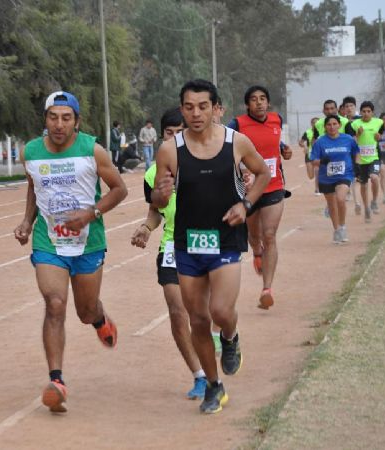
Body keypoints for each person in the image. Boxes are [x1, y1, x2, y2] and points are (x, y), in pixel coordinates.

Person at [153, 79, 271, 414]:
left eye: (202, 106)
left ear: (215, 107)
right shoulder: (169, 150)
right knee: (199, 321)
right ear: (182, 108)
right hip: (188, 243)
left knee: (220, 311)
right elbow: (158, 197)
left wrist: (245, 205)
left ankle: (231, 337)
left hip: (225, 238)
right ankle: (214, 386)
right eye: (188, 107)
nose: (195, 113)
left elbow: (262, 174)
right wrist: (161, 193)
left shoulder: (236, 142)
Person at [14, 91, 128, 414]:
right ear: (45, 120)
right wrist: (26, 221)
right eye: (53, 117)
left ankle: (100, 319)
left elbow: (120, 189)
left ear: (77, 121)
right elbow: (34, 187)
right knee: (54, 304)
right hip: (49, 241)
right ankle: (57, 380)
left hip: (88, 242)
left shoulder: (92, 150)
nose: (59, 124)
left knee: (85, 310)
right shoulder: (31, 153)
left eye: (66, 118)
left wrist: (91, 213)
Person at [131, 107, 208, 400]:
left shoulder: (206, 161)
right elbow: (155, 212)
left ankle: (220, 338)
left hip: (204, 242)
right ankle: (199, 375)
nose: (175, 138)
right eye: (169, 133)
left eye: (180, 132)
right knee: (178, 313)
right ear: (162, 135)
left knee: (203, 313)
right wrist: (146, 227)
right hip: (172, 246)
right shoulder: (152, 173)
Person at [226, 86, 292, 310]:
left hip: (274, 185)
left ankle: (267, 289)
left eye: (263, 99)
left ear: (269, 102)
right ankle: (256, 251)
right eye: (254, 100)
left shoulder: (277, 120)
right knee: (254, 236)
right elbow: (227, 148)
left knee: (270, 234)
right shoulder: (237, 125)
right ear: (247, 105)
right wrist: (243, 171)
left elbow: (274, 141)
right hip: (249, 191)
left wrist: (283, 149)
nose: (259, 103)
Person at [311, 114, 360, 243]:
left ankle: (342, 226)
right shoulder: (320, 142)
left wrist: (358, 166)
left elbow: (356, 152)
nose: (332, 127)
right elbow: (313, 161)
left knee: (340, 199)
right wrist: (322, 161)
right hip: (326, 177)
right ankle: (336, 229)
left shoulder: (348, 139)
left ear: (339, 125)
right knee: (332, 205)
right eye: (329, 125)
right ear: (325, 127)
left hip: (344, 174)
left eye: (334, 124)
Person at [351, 101, 384, 223]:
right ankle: (366, 209)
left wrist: (379, 137)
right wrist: (358, 134)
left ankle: (374, 201)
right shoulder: (355, 124)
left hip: (374, 157)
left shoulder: (378, 122)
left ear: (372, 113)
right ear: (360, 112)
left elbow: (381, 134)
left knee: (375, 177)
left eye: (368, 111)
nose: (366, 113)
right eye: (363, 111)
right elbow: (353, 140)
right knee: (363, 186)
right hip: (361, 160)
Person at [299, 117, 320, 194]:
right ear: (311, 124)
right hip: (309, 155)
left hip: (318, 155)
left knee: (317, 170)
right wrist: (305, 146)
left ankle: (317, 188)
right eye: (314, 123)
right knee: (311, 176)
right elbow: (300, 142)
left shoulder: (322, 132)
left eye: (317, 123)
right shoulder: (307, 132)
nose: (315, 124)